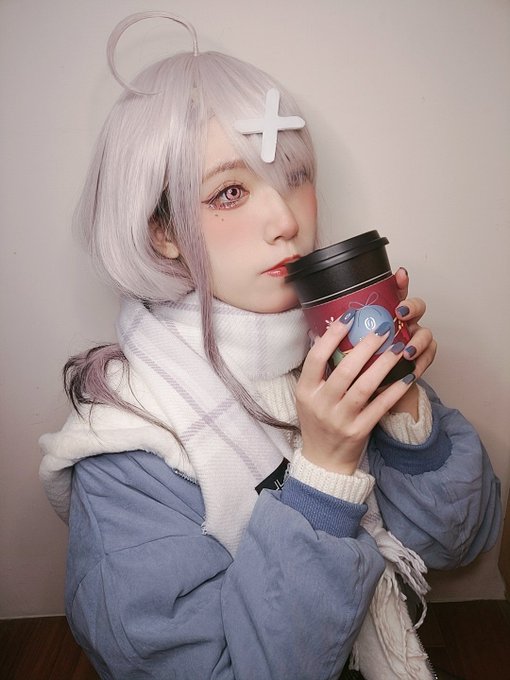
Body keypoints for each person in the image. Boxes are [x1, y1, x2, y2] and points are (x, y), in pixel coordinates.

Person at [39, 12, 501, 680]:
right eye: (229, 191)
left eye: (295, 176)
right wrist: (324, 472)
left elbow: (459, 543)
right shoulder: (127, 447)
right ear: (162, 231)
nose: (287, 220)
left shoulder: (330, 353)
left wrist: (400, 410)